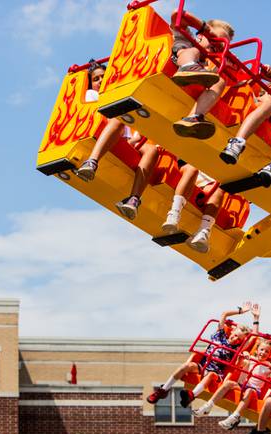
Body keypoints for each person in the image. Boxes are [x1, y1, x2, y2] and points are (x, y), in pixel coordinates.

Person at [75, 61, 160, 220]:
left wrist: (135, 138)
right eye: (96, 79)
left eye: (103, 77)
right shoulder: (91, 95)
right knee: (117, 120)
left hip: (122, 134)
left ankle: (134, 199)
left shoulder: (116, 96)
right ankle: (92, 162)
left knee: (152, 150)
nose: (100, 81)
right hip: (103, 128)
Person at [147, 303, 259, 406]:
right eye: (235, 336)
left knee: (210, 375)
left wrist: (256, 318)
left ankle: (192, 395)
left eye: (239, 339)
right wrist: (241, 311)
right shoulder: (219, 335)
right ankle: (163, 391)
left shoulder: (236, 349)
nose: (235, 339)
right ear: (232, 332)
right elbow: (224, 314)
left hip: (216, 372)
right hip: (203, 365)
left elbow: (254, 336)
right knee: (186, 366)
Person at [169, 8, 235, 139]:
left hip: (196, 76)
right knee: (195, 49)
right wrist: (205, 28)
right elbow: (177, 14)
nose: (217, 44)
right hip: (175, 59)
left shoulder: (206, 64)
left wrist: (227, 64)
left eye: (221, 45)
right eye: (215, 39)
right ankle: (187, 66)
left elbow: (242, 80)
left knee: (220, 80)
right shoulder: (187, 36)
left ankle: (194, 117)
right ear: (201, 35)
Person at [191, 338, 271, 431]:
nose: (263, 353)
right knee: (228, 383)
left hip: (254, 391)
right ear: (257, 350)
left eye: (267, 351)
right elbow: (239, 365)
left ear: (269, 354)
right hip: (242, 386)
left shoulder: (268, 365)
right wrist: (242, 357)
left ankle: (234, 416)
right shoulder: (250, 359)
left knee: (249, 391)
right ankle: (208, 406)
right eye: (262, 350)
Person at [161, 162, 225, 253]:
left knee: (219, 190)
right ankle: (173, 214)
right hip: (186, 166)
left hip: (208, 178)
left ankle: (203, 232)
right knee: (193, 169)